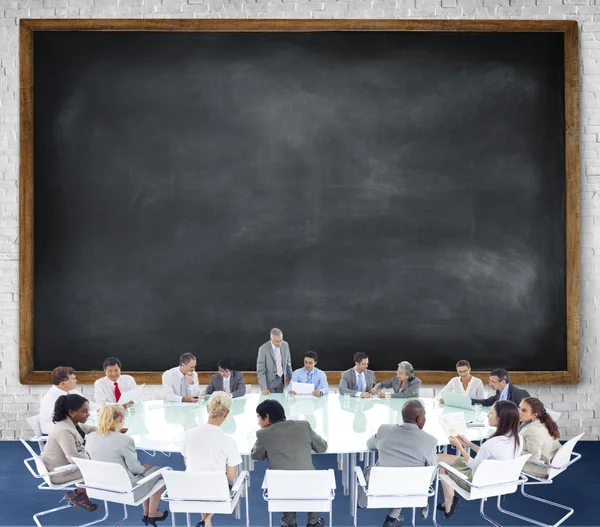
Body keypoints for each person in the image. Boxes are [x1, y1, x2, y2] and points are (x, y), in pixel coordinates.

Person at [436, 400, 523, 520]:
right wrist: (468, 443)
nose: (487, 415)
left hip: (476, 481)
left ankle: (449, 502)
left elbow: (472, 465)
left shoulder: (492, 443)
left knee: (441, 464)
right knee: (442, 458)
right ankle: (449, 502)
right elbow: (490, 454)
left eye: (491, 413)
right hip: (498, 478)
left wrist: (460, 447)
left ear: (500, 418)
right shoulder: (518, 439)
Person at [359, 400, 438, 527]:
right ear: (419, 419)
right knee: (404, 474)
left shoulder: (384, 430)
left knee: (379, 469)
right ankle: (391, 519)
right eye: (424, 416)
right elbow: (432, 476)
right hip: (412, 490)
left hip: (379, 488)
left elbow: (369, 444)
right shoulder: (430, 441)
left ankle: (364, 505)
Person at [86, 404, 167, 526]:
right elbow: (136, 469)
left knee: (147, 467)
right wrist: (143, 469)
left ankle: (146, 513)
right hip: (127, 489)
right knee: (161, 471)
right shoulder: (125, 440)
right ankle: (152, 513)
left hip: (101, 487)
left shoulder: (90, 438)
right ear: (121, 419)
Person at [251, 399, 328, 527]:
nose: (258, 422)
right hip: (310, 487)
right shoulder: (303, 426)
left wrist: (261, 439)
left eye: (259, 417)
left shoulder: (263, 434)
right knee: (311, 480)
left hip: (282, 489)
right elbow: (322, 447)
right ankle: (313, 522)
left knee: (284, 481)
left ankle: (289, 522)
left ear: (267, 417)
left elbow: (256, 455)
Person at [181, 392, 242, 527]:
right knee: (216, 484)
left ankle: (206, 521)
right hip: (216, 491)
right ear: (226, 414)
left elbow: (188, 463)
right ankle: (206, 521)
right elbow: (231, 476)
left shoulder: (188, 434)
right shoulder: (229, 442)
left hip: (190, 488)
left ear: (207, 408)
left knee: (203, 481)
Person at [41, 394, 98, 512]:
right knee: (102, 468)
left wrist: (113, 429)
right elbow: (74, 459)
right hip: (59, 473)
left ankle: (79, 494)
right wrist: (93, 454)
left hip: (61, 466)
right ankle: (80, 494)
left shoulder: (72, 422)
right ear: (71, 412)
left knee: (99, 462)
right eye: (84, 411)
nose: (88, 414)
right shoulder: (64, 430)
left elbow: (92, 429)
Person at [519, 397, 561, 477]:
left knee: (504, 457)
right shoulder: (542, 421)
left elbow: (534, 458)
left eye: (524, 410)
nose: (518, 412)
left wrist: (515, 450)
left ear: (534, 415)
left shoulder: (531, 431)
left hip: (542, 467)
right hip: (552, 457)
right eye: (519, 408)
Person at [40, 366, 80, 435]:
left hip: (68, 429)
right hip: (56, 434)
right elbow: (59, 420)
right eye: (73, 379)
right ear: (62, 384)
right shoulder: (50, 399)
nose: (76, 381)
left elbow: (87, 404)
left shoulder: (72, 391)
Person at [257, 328, 293, 395]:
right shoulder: (263, 349)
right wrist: (264, 388)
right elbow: (260, 371)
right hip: (269, 384)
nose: (279, 343)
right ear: (271, 339)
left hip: (281, 381)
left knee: (280, 403)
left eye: (280, 340)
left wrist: (293, 382)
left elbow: (288, 365)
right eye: (276, 341)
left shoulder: (285, 345)